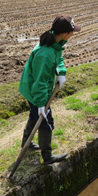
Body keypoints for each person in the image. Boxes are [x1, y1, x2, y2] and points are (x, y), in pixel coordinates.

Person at [19, 15, 81, 165]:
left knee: (35, 116)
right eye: (72, 31)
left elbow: (59, 58)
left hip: (36, 87)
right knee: (45, 120)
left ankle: (26, 143)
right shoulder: (45, 54)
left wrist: (61, 72)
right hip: (34, 90)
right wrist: (41, 103)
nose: (74, 33)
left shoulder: (56, 42)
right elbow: (39, 81)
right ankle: (47, 157)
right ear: (65, 32)